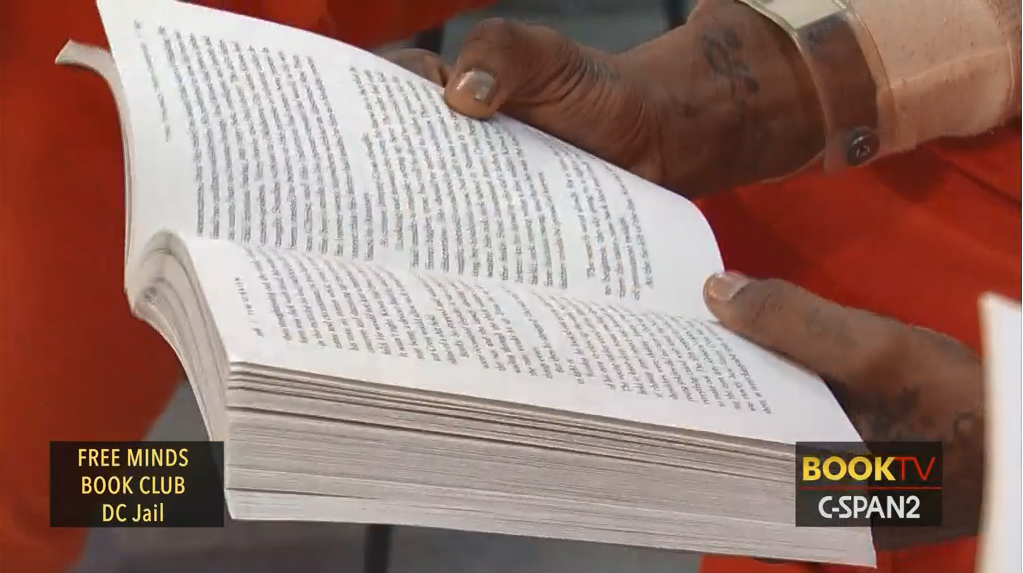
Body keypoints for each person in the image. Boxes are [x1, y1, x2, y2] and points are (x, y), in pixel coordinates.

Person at [383, 0, 1020, 571]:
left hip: (953, 395)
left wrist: (993, 473)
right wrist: (673, 107)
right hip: (825, 216)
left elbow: (905, 486)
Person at [0, 1, 493, 572]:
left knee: (44, 488)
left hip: (116, 92)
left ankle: (189, 500)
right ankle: (193, 499)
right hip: (115, 89)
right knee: (56, 483)